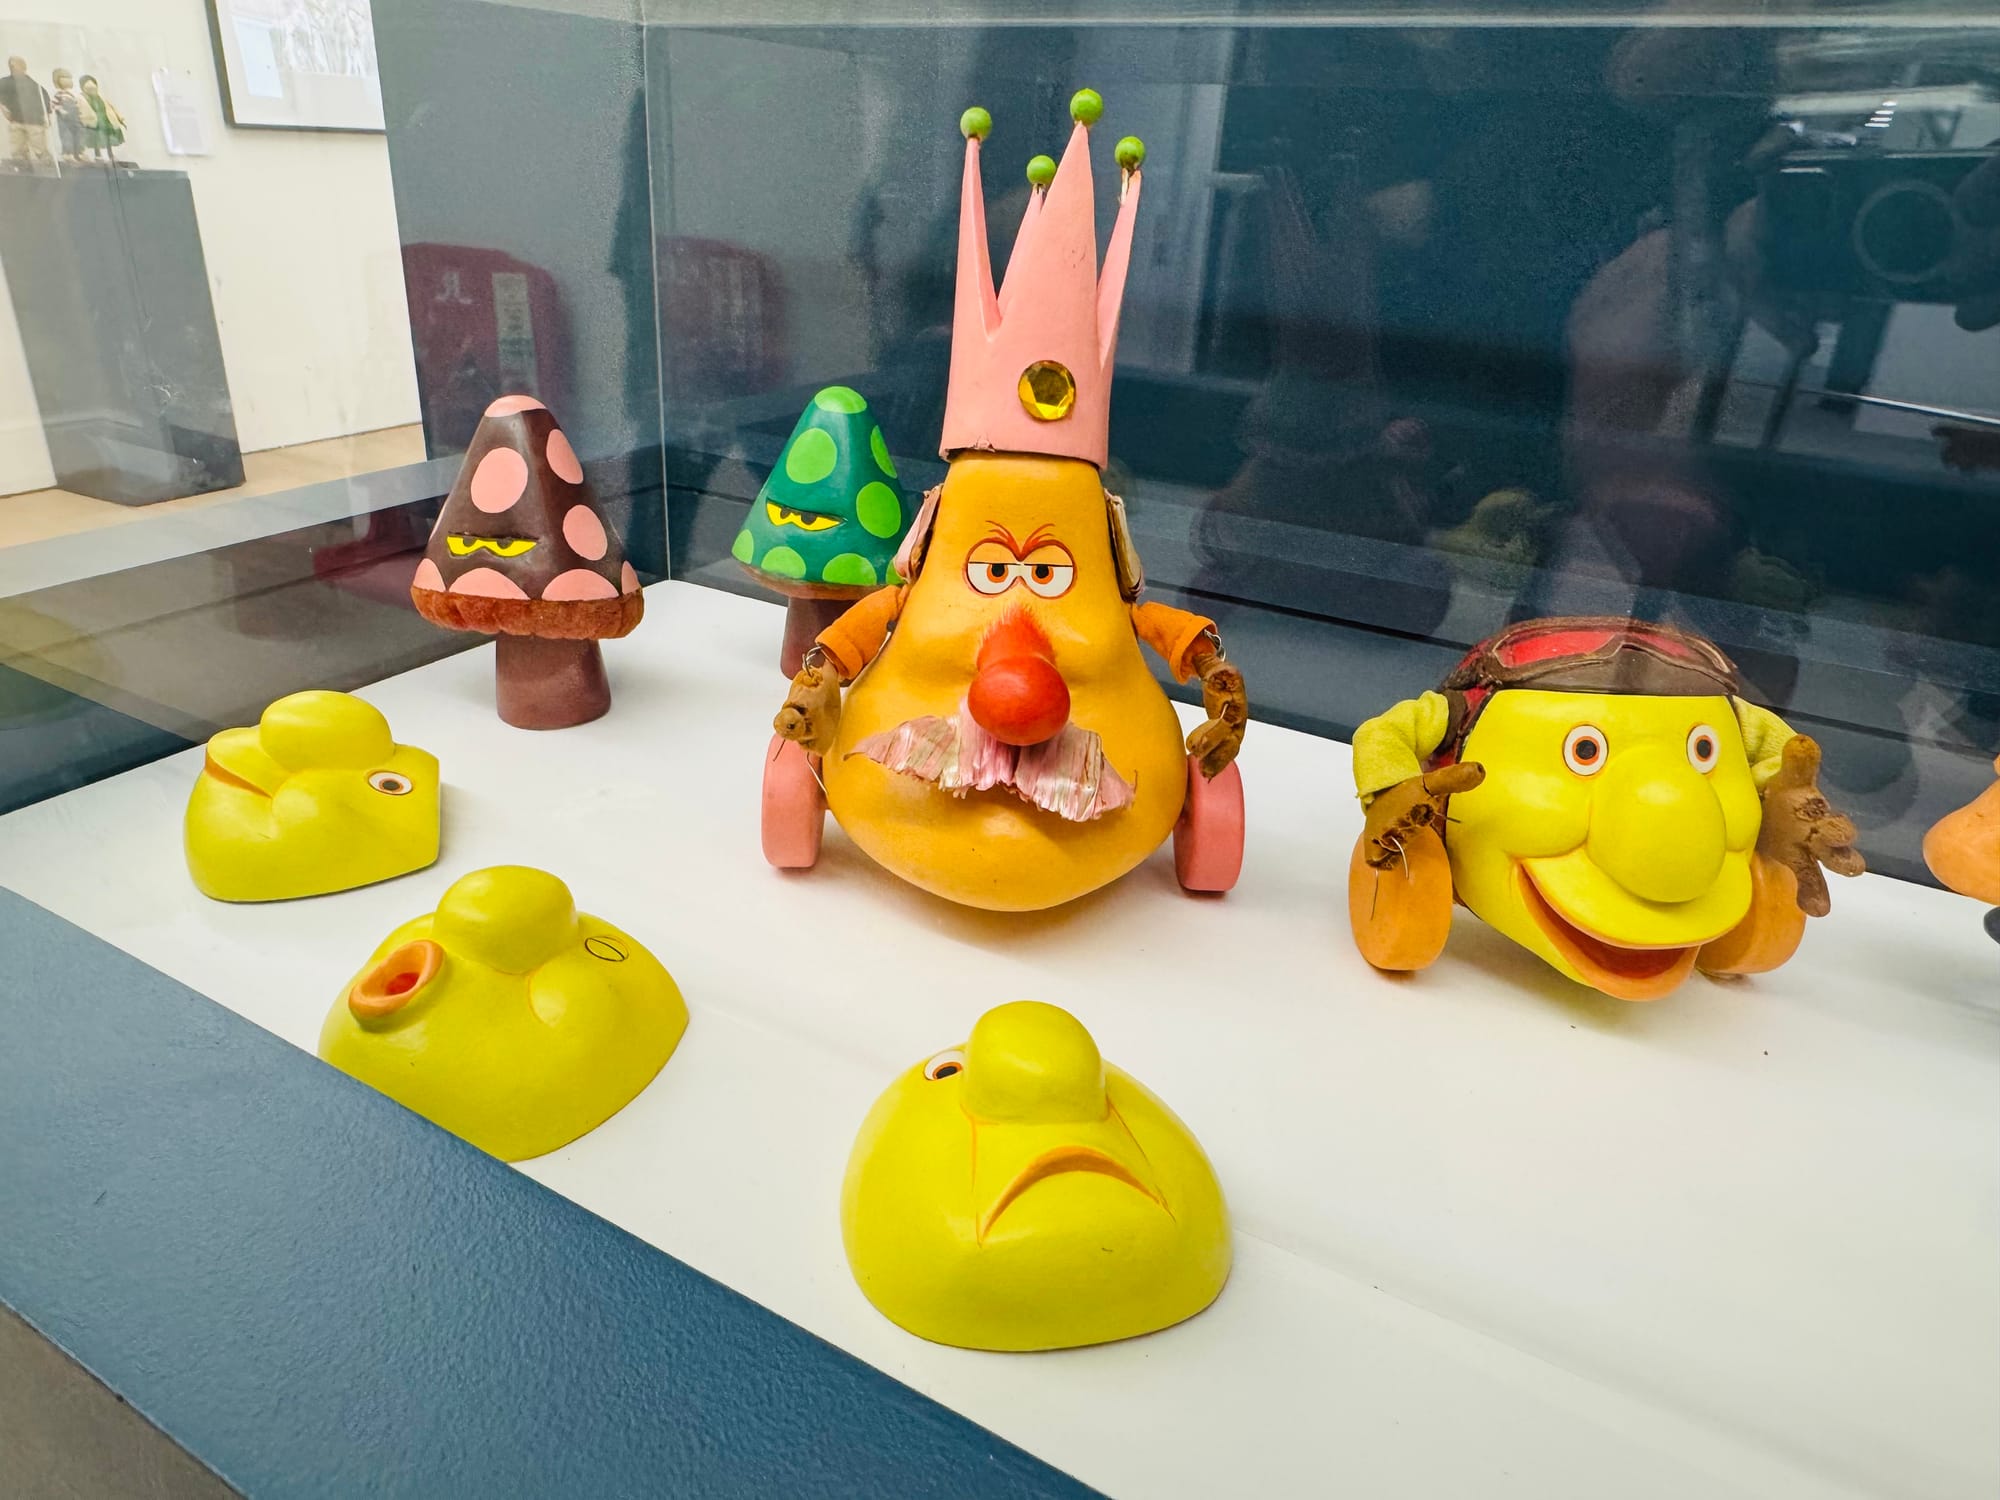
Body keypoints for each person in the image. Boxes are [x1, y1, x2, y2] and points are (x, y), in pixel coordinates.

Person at [0, 56, 54, 168]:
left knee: (39, 144)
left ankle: (46, 162)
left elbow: (45, 100)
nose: (13, 67)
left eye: (16, 65)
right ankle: (21, 163)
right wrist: (3, 108)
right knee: (17, 145)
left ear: (24, 67)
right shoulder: (4, 82)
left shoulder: (34, 85)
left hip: (34, 121)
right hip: (16, 120)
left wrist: (47, 116)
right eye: (12, 65)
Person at [77, 74, 126, 167]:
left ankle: (111, 155)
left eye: (93, 88)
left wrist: (120, 118)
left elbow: (112, 108)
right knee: (96, 140)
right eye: (89, 89)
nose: (92, 90)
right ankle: (98, 155)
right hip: (94, 123)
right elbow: (80, 110)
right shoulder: (82, 99)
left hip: (105, 121)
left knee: (108, 139)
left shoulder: (101, 98)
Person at [50, 67, 83, 164]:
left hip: (74, 118)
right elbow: (53, 104)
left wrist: (79, 111)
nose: (67, 80)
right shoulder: (58, 94)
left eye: (68, 78)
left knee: (78, 134)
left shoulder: (72, 94)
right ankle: (68, 153)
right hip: (64, 119)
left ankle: (78, 153)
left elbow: (77, 104)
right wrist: (61, 110)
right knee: (66, 135)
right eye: (64, 78)